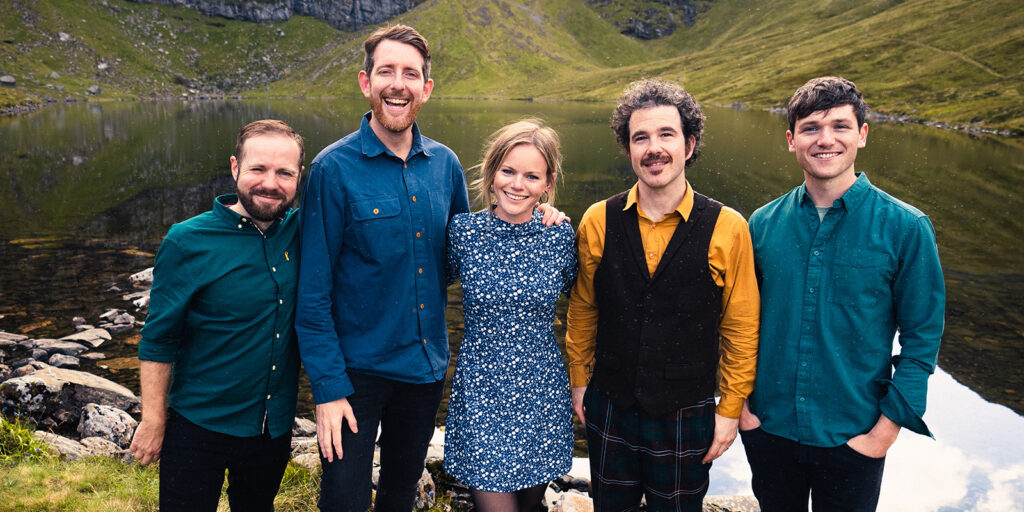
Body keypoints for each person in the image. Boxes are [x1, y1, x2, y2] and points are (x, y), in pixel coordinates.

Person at [295, 25, 566, 512]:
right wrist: (328, 388)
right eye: (386, 72)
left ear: (426, 88)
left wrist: (539, 218)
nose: (398, 84)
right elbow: (311, 293)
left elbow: (477, 244)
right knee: (343, 498)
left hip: (423, 372)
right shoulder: (332, 169)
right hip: (355, 373)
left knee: (400, 495)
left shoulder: (444, 165)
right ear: (366, 82)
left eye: (410, 73)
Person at [740, 76, 945, 511]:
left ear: (862, 135)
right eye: (811, 128)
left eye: (840, 126)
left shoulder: (906, 228)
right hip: (768, 429)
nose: (825, 139)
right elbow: (738, 322)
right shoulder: (761, 224)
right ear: (791, 140)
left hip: (854, 435)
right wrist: (743, 411)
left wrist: (885, 431)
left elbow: (922, 340)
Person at [566, 79, 760, 511]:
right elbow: (583, 308)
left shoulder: (728, 227)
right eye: (641, 138)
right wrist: (580, 382)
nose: (654, 148)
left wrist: (729, 410)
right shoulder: (598, 219)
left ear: (689, 144)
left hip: (686, 412)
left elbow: (741, 326)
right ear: (629, 149)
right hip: (609, 404)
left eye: (666, 134)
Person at [129, 119, 304, 511]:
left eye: (284, 173)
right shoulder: (187, 241)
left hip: (271, 429)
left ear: (298, 176)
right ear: (235, 167)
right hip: (197, 426)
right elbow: (159, 339)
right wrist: (154, 419)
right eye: (258, 168)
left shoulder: (302, 230)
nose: (270, 183)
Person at [443, 119, 577, 511]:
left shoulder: (560, 236)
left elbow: (588, 304)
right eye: (508, 171)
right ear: (492, 171)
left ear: (547, 183)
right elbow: (424, 287)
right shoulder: (463, 232)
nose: (517, 184)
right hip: (483, 393)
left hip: (541, 393)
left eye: (531, 176)